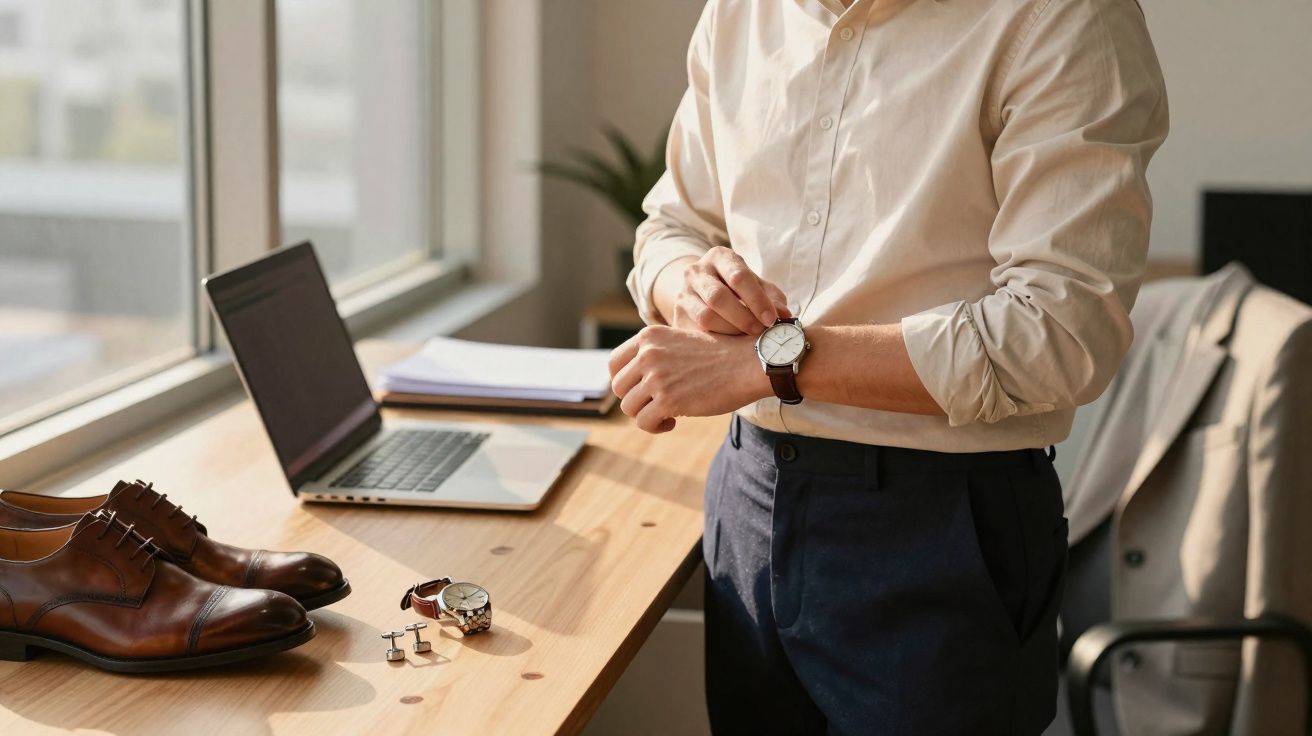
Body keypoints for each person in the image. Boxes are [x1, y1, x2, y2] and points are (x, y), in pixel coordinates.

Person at [606, 0, 1169, 733]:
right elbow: (673, 223)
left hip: (940, 527)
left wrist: (766, 364)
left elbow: (1061, 333)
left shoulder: (1063, 18)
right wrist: (685, 284)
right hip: (748, 501)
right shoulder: (741, 12)